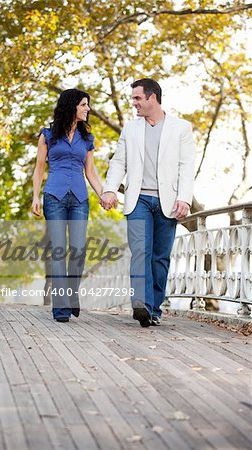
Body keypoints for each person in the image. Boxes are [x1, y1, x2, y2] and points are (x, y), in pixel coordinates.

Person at [100, 78, 195, 327]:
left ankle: (153, 309)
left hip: (168, 201)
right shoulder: (131, 128)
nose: (134, 103)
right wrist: (110, 189)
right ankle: (140, 302)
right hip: (138, 199)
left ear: (153, 98)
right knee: (141, 251)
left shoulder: (181, 128)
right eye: (133, 99)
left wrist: (184, 198)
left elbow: (186, 167)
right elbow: (119, 161)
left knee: (160, 257)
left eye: (137, 98)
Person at [32, 88, 102, 322]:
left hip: (80, 198)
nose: (87, 109)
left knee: (79, 250)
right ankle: (61, 307)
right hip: (54, 197)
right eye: (84, 104)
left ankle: (72, 293)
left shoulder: (87, 138)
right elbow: (39, 169)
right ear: (72, 106)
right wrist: (35, 197)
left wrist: (103, 194)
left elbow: (90, 172)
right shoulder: (48, 134)